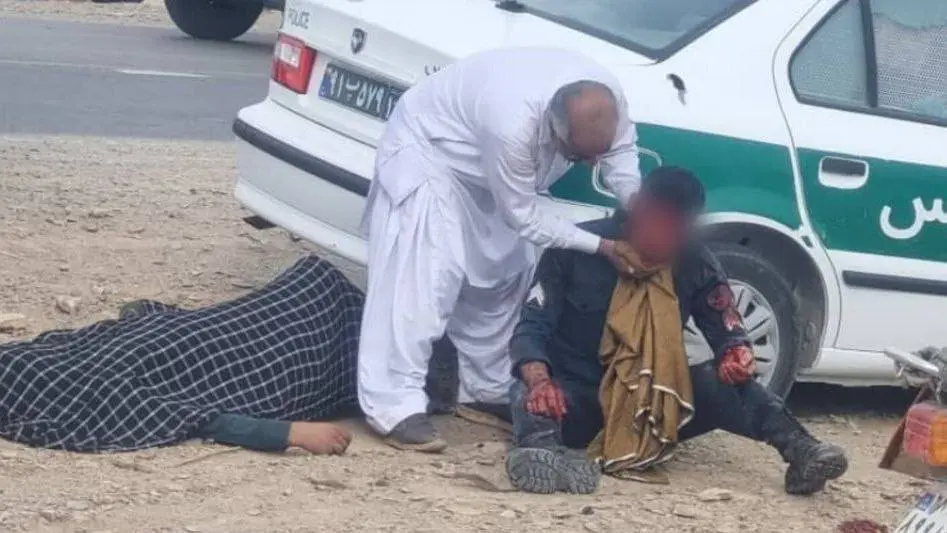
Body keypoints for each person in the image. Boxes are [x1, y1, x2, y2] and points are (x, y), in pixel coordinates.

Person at [358, 46, 645, 452]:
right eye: (579, 155)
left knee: (507, 273)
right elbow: (523, 216)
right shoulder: (512, 120)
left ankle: (486, 388)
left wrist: (637, 207)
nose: (589, 164)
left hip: (487, 169)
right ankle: (393, 406)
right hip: (432, 153)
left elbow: (622, 156)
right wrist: (603, 246)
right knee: (427, 278)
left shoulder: (607, 99)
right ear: (555, 127)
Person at [504, 166, 849, 495]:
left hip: (654, 407)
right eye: (658, 220)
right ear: (637, 207)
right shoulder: (578, 246)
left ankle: (803, 451)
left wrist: (736, 352)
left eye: (676, 227)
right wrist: (540, 382)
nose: (664, 235)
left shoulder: (694, 260)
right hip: (581, 398)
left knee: (722, 383)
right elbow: (532, 328)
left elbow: (726, 325)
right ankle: (545, 454)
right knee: (528, 393)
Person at [0, 256, 359, 454]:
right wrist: (287, 434)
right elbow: (187, 416)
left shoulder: (44, 358)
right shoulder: (91, 400)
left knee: (318, 283)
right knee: (346, 339)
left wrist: (142, 317)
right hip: (262, 361)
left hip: (215, 326)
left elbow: (118, 326)